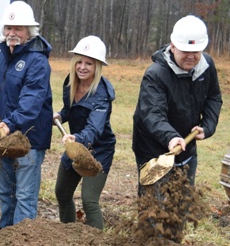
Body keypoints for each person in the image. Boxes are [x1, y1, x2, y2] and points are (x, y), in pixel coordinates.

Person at [132, 15, 222, 185]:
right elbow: (152, 113)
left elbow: (213, 97)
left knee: (185, 197)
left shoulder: (206, 66)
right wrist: (171, 136)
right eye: (185, 51)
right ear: (173, 46)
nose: (191, 56)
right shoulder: (155, 74)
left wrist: (207, 126)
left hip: (186, 145)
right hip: (153, 148)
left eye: (195, 52)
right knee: (154, 199)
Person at [0, 0, 52, 229]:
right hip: (5, 135)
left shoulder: (38, 61)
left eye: (18, 28)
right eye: (8, 28)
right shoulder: (2, 56)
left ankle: (21, 245)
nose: (12, 33)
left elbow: (31, 101)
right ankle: (5, 236)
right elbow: (2, 89)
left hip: (29, 139)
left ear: (29, 32)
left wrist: (10, 122)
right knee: (6, 193)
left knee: (24, 196)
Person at [53, 36, 115, 229]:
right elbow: (70, 109)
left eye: (89, 63)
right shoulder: (71, 83)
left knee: (89, 201)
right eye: (79, 61)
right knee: (62, 193)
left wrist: (76, 138)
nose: (82, 67)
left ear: (98, 66)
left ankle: (97, 243)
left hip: (98, 150)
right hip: (76, 147)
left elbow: (94, 129)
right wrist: (61, 115)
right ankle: (69, 234)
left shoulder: (102, 95)